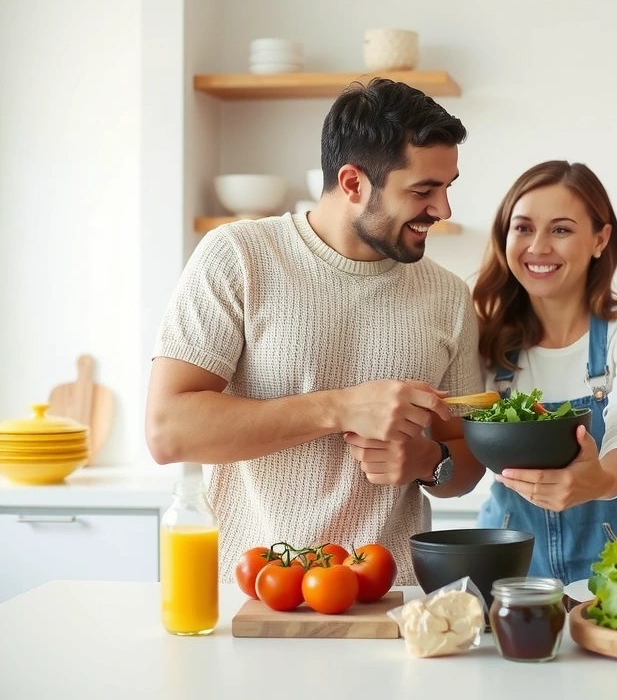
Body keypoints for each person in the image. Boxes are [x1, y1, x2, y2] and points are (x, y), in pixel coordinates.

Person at [145, 78, 485, 585]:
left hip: (394, 602)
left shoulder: (449, 296)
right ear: (353, 184)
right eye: (422, 190)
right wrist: (342, 407)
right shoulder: (238, 257)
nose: (443, 209)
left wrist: (426, 459)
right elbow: (168, 430)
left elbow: (466, 461)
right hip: (254, 594)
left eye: (446, 187)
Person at [472, 160, 617, 584]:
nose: (538, 247)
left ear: (601, 239)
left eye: (561, 230)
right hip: (509, 568)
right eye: (523, 227)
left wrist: (599, 481)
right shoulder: (482, 335)